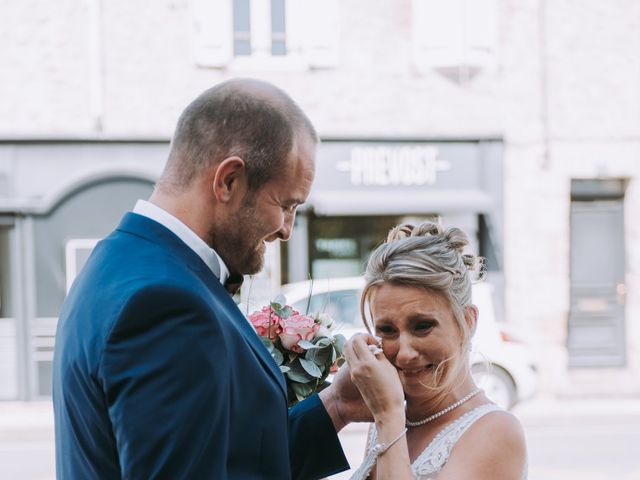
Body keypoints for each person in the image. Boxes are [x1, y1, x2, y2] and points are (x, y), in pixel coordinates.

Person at [52, 78, 366, 479]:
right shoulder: (166, 303)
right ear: (229, 180)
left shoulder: (117, 262)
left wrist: (337, 403)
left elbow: (234, 460)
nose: (287, 229)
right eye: (285, 204)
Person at [344, 222, 527, 479]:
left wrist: (387, 415)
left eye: (422, 326)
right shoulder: (391, 414)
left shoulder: (496, 431)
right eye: (387, 330)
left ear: (468, 321)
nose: (405, 353)